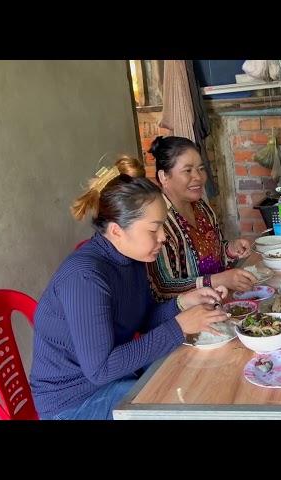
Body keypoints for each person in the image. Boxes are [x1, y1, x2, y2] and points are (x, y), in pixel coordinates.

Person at [30, 156, 231, 420]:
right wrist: (181, 326)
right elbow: (101, 369)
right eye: (154, 229)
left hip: (111, 381)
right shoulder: (85, 278)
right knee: (179, 399)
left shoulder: (132, 259)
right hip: (73, 403)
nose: (163, 237)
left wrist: (183, 303)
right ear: (116, 231)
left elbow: (145, 321)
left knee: (198, 372)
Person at [146, 136, 257, 299]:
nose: (198, 177)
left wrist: (231, 249)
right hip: (187, 317)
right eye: (188, 170)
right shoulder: (158, 220)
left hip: (219, 301)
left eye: (201, 168)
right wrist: (219, 280)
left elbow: (215, 255)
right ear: (164, 177)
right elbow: (162, 287)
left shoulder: (202, 207)